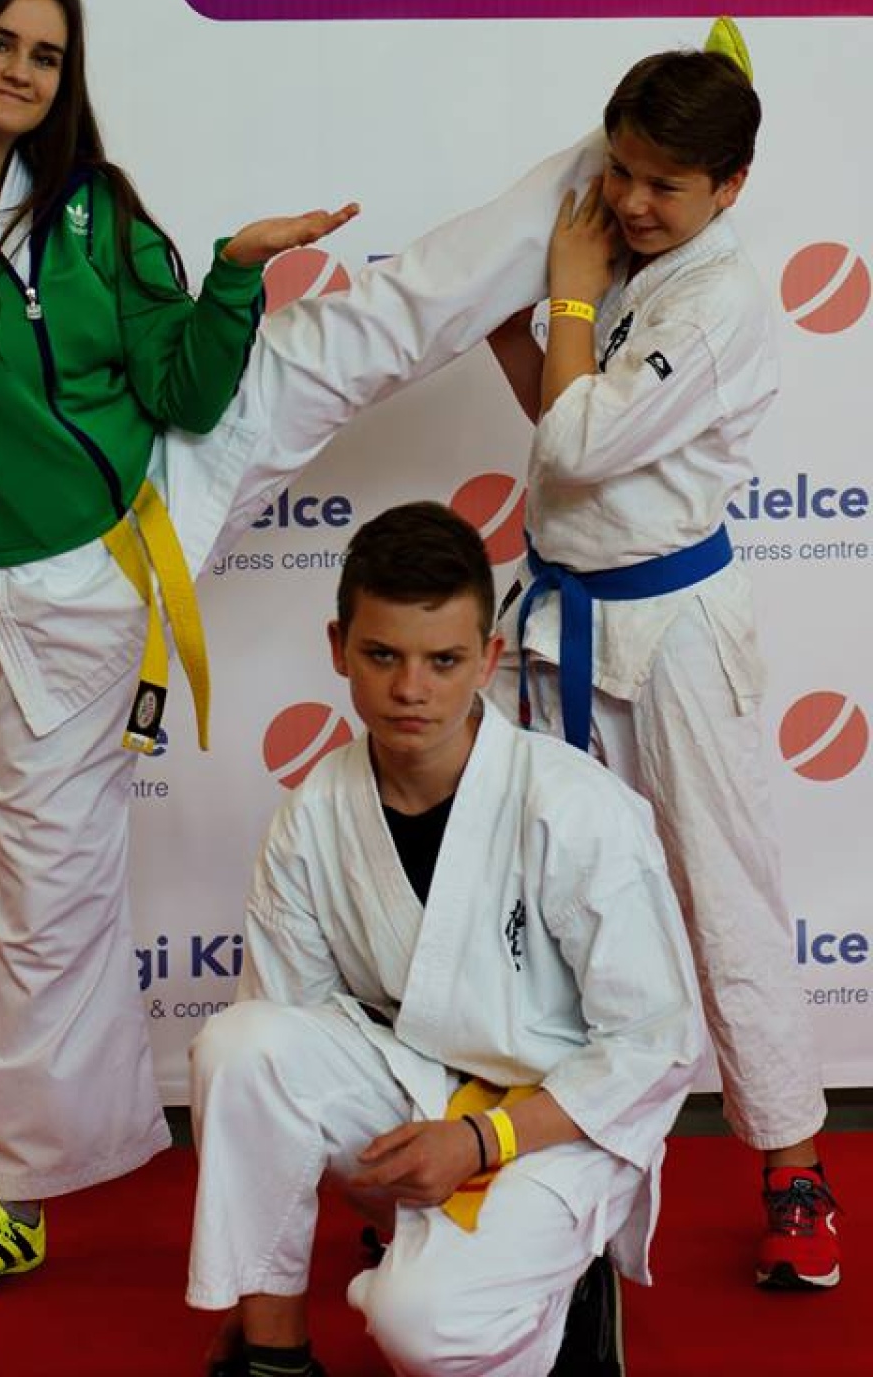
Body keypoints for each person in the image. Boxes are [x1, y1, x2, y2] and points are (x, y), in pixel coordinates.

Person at [0, 0, 603, 1307]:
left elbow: (184, 384)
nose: (22, 71)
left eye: (47, 54)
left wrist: (232, 279)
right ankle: (24, 1198)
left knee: (364, 329)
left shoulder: (92, 206)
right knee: (46, 903)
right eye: (2, 43)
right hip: (55, 599)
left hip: (171, 480)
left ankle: (607, 159)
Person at [187, 502, 702, 1377]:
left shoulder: (573, 807)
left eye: (444, 660)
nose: (411, 689)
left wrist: (481, 1140)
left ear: (489, 659)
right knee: (241, 1046)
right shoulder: (313, 817)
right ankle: (275, 1357)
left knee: (423, 1327)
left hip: (557, 1125)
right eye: (383, 655)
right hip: (417, 1099)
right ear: (339, 648)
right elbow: (287, 1048)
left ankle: (569, 1287)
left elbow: (657, 1046)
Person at [486, 23, 839, 1292]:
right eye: (623, 172)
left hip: (676, 634)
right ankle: (518, 1156)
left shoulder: (719, 298)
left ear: (730, 188)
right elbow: (559, 417)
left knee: (721, 898)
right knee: (530, 892)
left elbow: (578, 447)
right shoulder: (629, 261)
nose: (632, 201)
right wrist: (504, 320)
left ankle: (794, 1169)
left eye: (666, 186)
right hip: (561, 621)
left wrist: (572, 294)